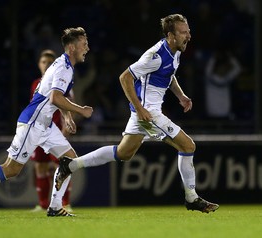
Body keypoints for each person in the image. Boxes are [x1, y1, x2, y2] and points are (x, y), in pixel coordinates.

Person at [55, 14, 219, 213]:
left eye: (189, 31)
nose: (189, 36)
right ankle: (191, 198)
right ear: (171, 35)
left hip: (143, 114)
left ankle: (70, 165)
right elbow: (125, 78)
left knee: (123, 153)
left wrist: (181, 96)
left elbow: (169, 74)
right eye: (184, 32)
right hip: (149, 114)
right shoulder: (155, 55)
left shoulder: (175, 51)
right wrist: (141, 109)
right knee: (188, 145)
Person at [0, 27, 93, 217]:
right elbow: (55, 97)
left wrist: (67, 116)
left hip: (45, 124)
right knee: (11, 169)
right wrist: (80, 110)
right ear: (71, 47)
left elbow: (54, 96)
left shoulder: (65, 65)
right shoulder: (63, 67)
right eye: (84, 44)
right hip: (33, 122)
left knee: (70, 160)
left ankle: (54, 206)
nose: (87, 48)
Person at [29, 49, 73, 212]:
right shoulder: (35, 84)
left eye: (49, 62)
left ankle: (65, 203)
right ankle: (42, 205)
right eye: (43, 62)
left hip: (56, 132)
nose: (46, 65)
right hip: (39, 131)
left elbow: (68, 103)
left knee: (63, 166)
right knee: (40, 167)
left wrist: (66, 125)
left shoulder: (62, 81)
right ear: (39, 64)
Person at [204, 49, 241, 119]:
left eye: (225, 68)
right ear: (217, 68)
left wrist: (230, 57)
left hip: (225, 116)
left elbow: (237, 69)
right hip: (212, 116)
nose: (224, 69)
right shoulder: (210, 78)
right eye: (222, 67)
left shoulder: (227, 79)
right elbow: (208, 69)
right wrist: (214, 58)